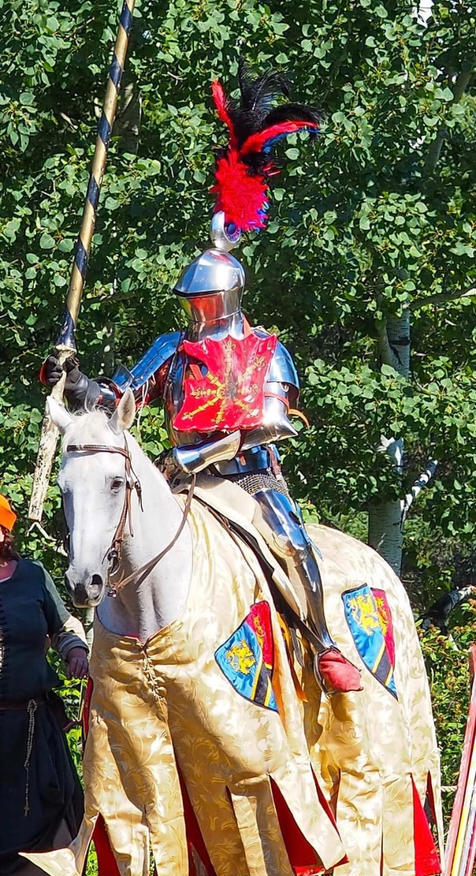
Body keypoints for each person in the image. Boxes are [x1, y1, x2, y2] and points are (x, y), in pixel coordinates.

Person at [42, 59, 360, 692]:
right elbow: (119, 397)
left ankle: (322, 642)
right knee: (116, 542)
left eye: (205, 300)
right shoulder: (172, 347)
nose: (196, 311)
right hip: (175, 484)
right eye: (191, 301)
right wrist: (74, 381)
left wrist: (199, 456)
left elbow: (270, 426)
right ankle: (114, 676)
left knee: (294, 547)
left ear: (231, 297)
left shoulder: (267, 350)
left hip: (248, 480)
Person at [0, 493, 89, 876]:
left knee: (51, 812)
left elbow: (62, 627)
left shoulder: (34, 576)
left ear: (5, 532)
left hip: (32, 724)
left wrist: (75, 650)